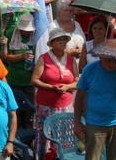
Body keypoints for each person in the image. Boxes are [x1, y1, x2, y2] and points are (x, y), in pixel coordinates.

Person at [75, 53, 116, 160]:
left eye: (115, 60)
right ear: (100, 57)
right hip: (95, 124)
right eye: (108, 60)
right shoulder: (90, 70)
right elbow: (79, 97)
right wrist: (77, 123)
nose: (112, 63)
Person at [32, 28, 79, 159]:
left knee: (64, 134)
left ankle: (64, 156)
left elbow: (77, 81)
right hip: (46, 107)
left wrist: (68, 86)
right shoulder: (44, 58)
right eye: (59, 40)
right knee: (46, 135)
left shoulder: (70, 59)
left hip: (65, 106)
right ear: (52, 43)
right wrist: (51, 87)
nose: (62, 42)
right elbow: (35, 80)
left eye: (64, 39)